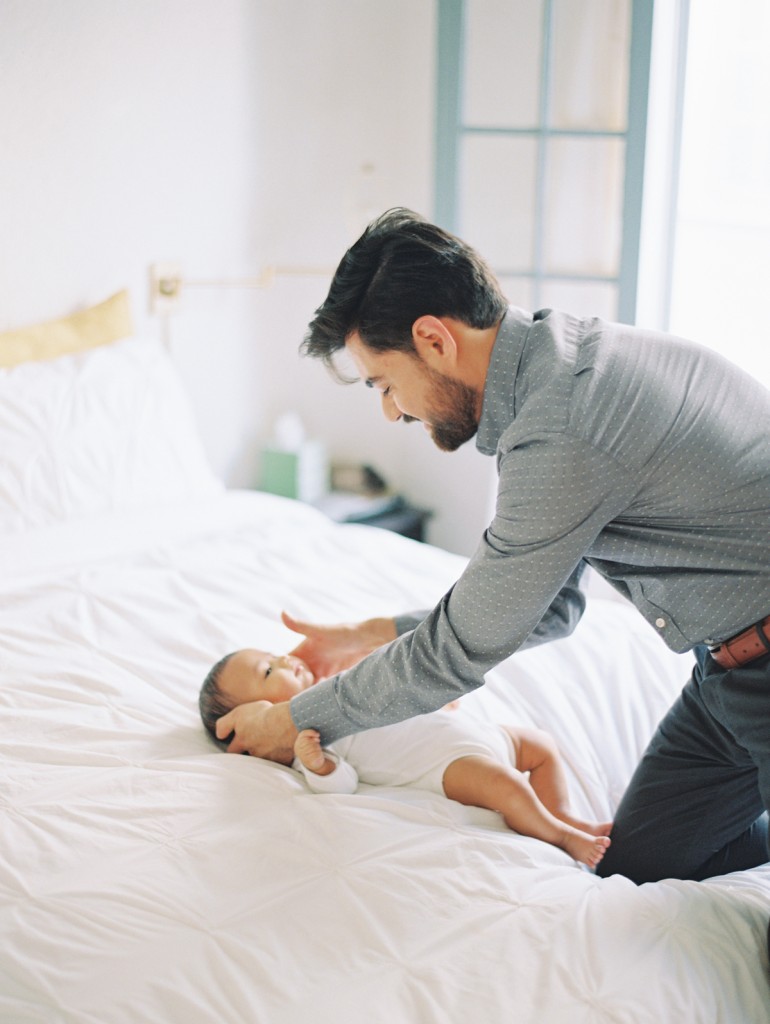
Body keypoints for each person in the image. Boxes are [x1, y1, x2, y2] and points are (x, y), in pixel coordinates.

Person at [215, 208, 770, 889]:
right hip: (729, 672)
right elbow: (552, 609)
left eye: (383, 383)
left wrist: (294, 720)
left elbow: (456, 654)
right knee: (641, 870)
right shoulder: (554, 368)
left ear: (433, 339)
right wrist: (368, 635)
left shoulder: (561, 425)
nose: (390, 411)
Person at [200, 646, 613, 868]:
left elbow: (392, 688)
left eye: (273, 655)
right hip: (444, 764)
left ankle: (565, 815)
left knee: (540, 745)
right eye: (270, 673)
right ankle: (560, 836)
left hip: (475, 733)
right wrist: (319, 766)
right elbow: (342, 784)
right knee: (505, 786)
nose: (284, 659)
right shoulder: (306, 739)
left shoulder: (335, 686)